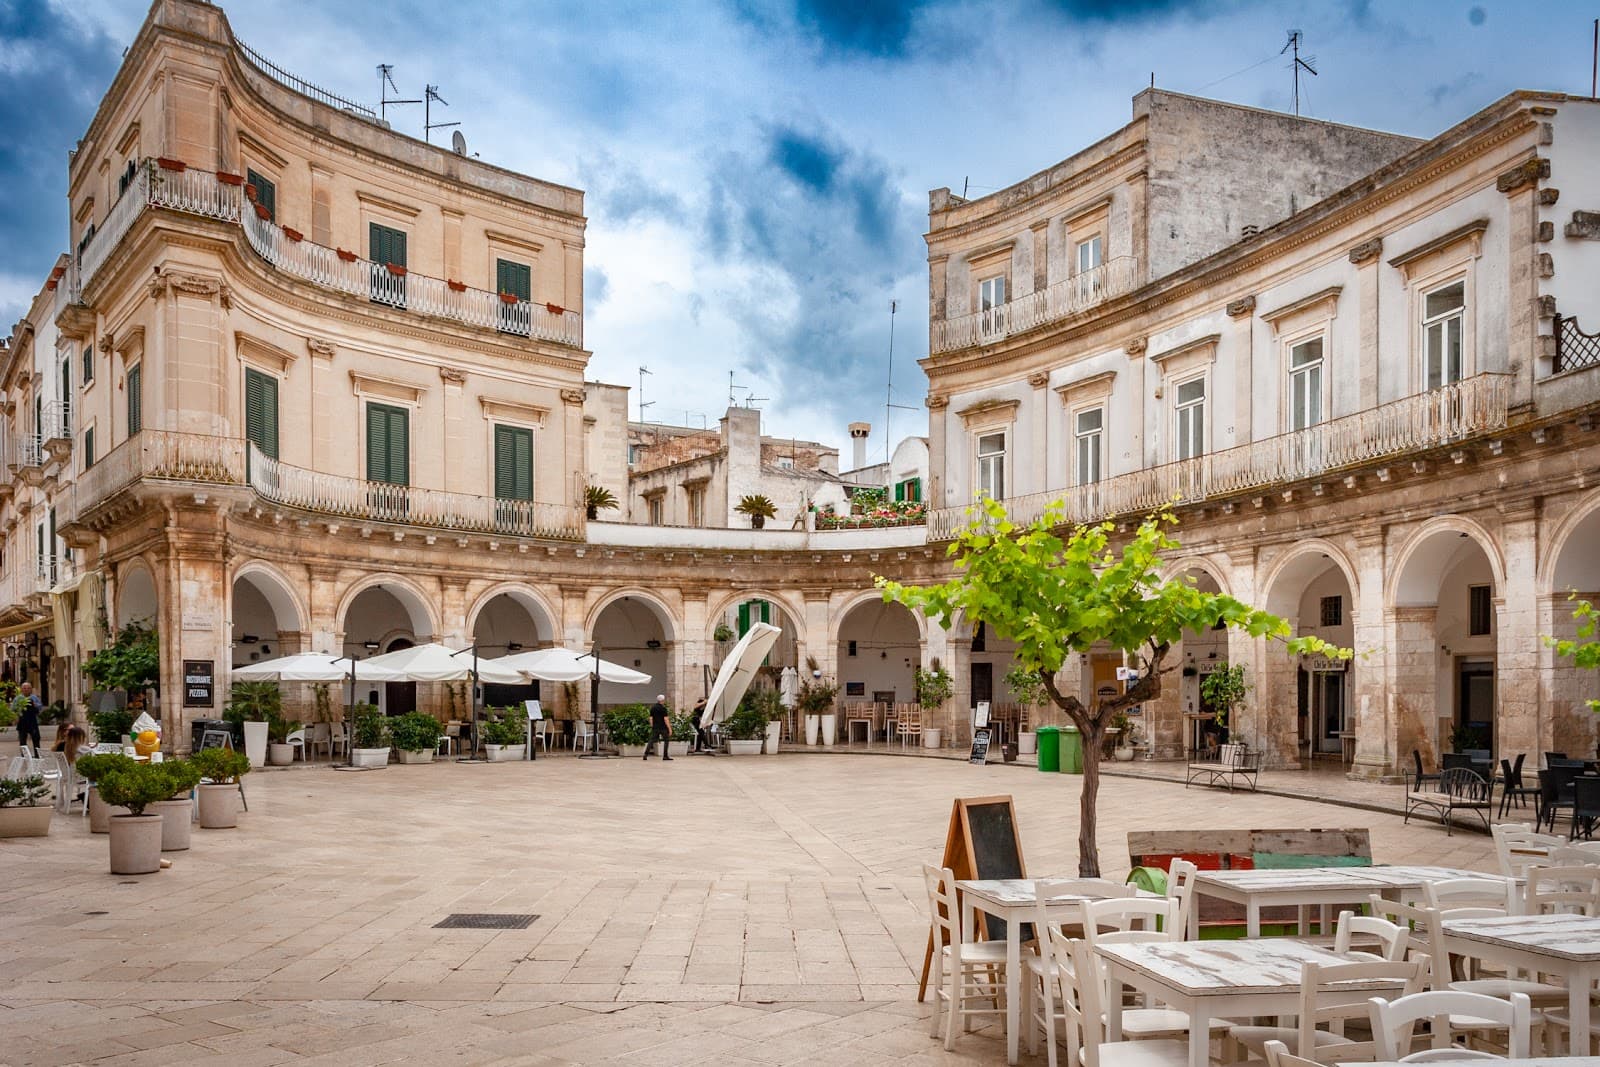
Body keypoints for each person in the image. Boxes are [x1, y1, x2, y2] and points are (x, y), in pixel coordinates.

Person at [15, 681, 42, 755]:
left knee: (36, 738)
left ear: (31, 689)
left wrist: (34, 704)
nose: (26, 689)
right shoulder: (18, 698)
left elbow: (40, 708)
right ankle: (24, 756)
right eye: (24, 688)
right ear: (21, 689)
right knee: (22, 741)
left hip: (33, 721)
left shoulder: (34, 698)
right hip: (22, 721)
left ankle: (37, 755)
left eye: (28, 688)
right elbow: (13, 709)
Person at [644, 695, 673, 761]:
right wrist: (669, 728)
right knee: (666, 740)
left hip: (655, 727)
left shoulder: (653, 708)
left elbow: (651, 718)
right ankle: (665, 756)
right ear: (662, 700)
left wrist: (652, 726)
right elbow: (666, 719)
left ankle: (645, 755)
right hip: (663, 727)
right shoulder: (663, 708)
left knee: (651, 741)